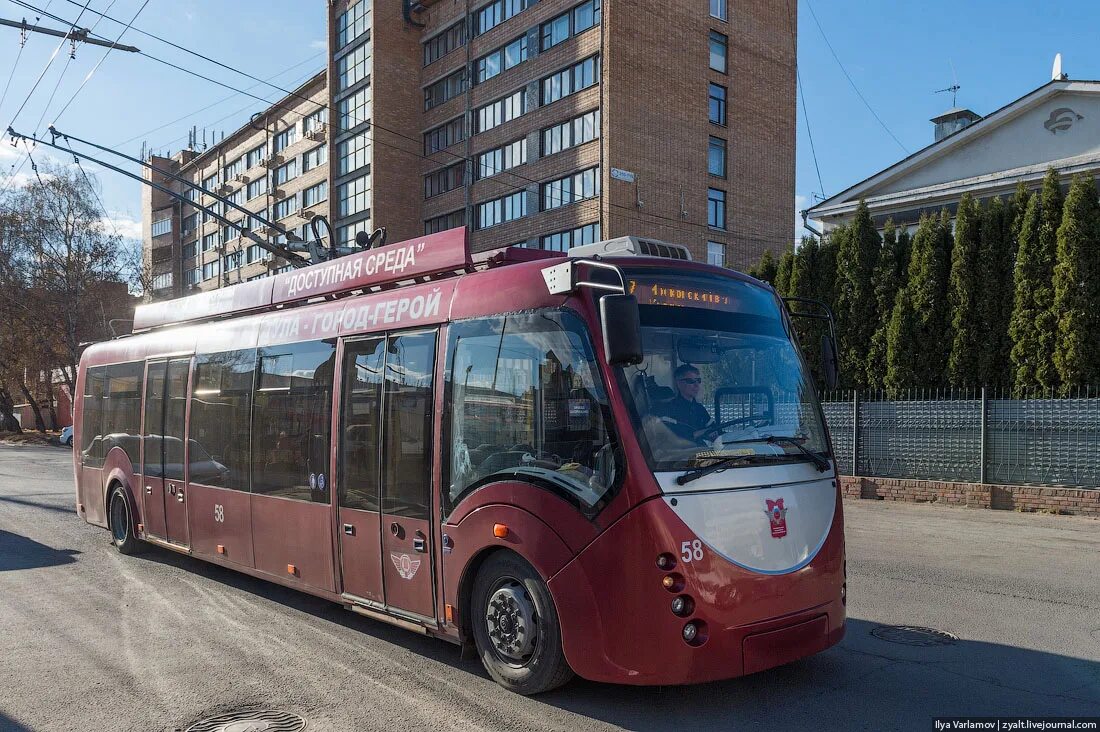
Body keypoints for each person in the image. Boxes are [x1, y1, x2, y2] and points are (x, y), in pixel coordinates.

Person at [655, 364, 715, 442]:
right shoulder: (668, 410)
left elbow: (714, 429)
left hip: (702, 452)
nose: (696, 385)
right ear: (679, 383)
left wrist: (714, 434)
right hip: (681, 453)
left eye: (698, 380)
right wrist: (702, 433)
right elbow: (672, 440)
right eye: (691, 381)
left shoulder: (699, 409)